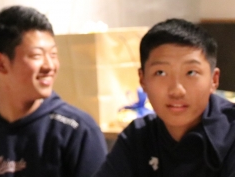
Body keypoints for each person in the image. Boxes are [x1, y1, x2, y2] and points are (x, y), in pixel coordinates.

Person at [0, 6, 107, 177]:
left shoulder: (78, 130)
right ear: (0, 63)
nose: (50, 66)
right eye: (37, 55)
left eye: (53, 54)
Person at [94, 19, 235, 177]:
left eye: (191, 73)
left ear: (214, 80)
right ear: (142, 80)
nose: (177, 90)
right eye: (161, 73)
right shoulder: (139, 136)